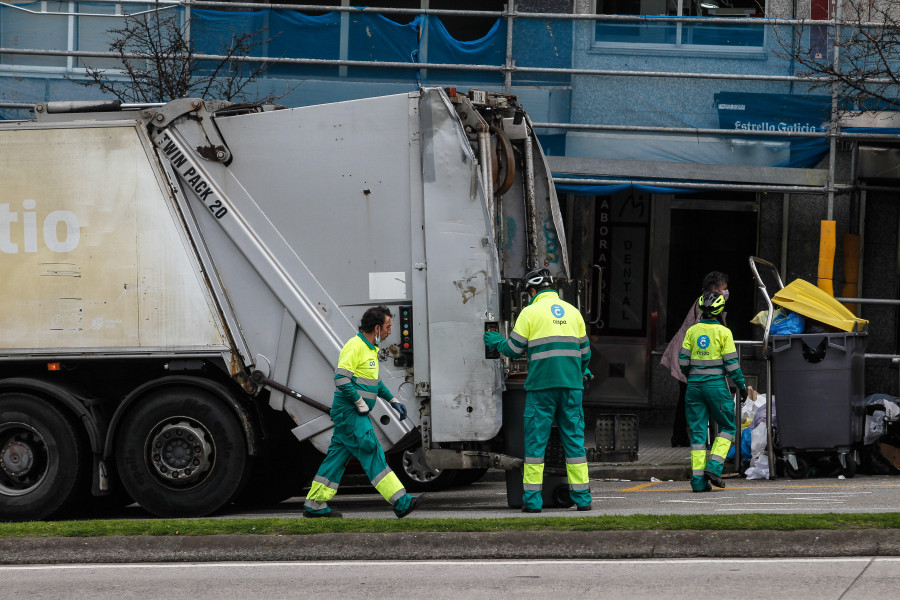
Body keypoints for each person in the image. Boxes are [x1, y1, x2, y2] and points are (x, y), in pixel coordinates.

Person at [483, 268, 592, 513]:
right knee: (574, 444)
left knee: (535, 446)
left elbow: (513, 349)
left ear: (533, 291)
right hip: (572, 388)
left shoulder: (530, 312)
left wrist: (496, 342)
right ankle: (583, 499)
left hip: (542, 389)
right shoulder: (573, 312)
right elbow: (585, 353)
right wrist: (582, 370)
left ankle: (532, 502)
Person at [304, 305, 427, 518]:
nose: (390, 332)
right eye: (388, 327)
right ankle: (401, 501)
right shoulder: (355, 346)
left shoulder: (370, 349)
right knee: (372, 452)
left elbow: (375, 383)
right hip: (351, 413)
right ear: (377, 328)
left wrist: (393, 400)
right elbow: (341, 378)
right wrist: (359, 401)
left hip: (350, 414)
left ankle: (314, 505)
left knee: (336, 458)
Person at [678, 291, 747, 493]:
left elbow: (682, 362)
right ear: (720, 311)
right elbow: (732, 365)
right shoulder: (724, 333)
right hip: (716, 387)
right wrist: (741, 386)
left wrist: (692, 375)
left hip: (694, 387)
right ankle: (714, 467)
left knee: (698, 435)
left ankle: (698, 483)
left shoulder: (692, 331)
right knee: (728, 427)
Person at [660, 271, 729, 447]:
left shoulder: (706, 302)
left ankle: (680, 437)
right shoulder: (706, 305)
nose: (726, 292)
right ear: (715, 290)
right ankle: (688, 437)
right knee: (692, 399)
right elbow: (702, 333)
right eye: (724, 289)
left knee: (685, 398)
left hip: (688, 355)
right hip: (690, 356)